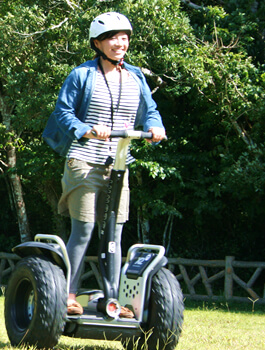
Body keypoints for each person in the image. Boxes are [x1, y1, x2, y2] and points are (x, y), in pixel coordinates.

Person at [42, 12, 166, 318]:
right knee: (83, 230)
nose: (120, 43)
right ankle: (68, 294)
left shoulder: (135, 76)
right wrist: (84, 128)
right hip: (84, 160)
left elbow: (150, 110)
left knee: (114, 234)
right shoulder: (82, 75)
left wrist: (155, 127)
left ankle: (115, 299)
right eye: (113, 38)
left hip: (119, 162)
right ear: (98, 43)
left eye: (124, 37)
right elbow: (63, 111)